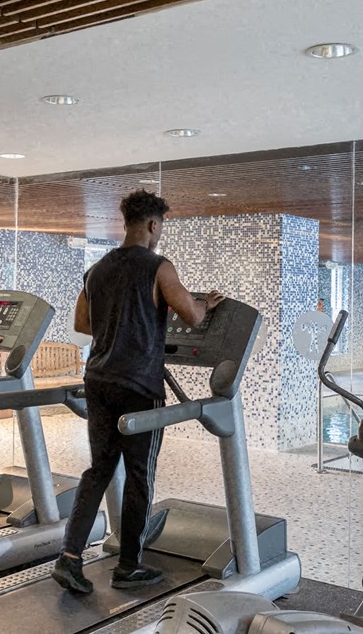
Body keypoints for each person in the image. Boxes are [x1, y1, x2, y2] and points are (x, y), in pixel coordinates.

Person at [52, 189, 224, 594]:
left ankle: (69, 558)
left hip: (98, 380)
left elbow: (83, 322)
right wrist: (206, 305)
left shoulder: (96, 269)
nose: (158, 233)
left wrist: (119, 327)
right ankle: (129, 565)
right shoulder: (159, 267)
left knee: (98, 470)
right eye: (159, 227)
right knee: (140, 475)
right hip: (138, 386)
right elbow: (190, 314)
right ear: (152, 225)